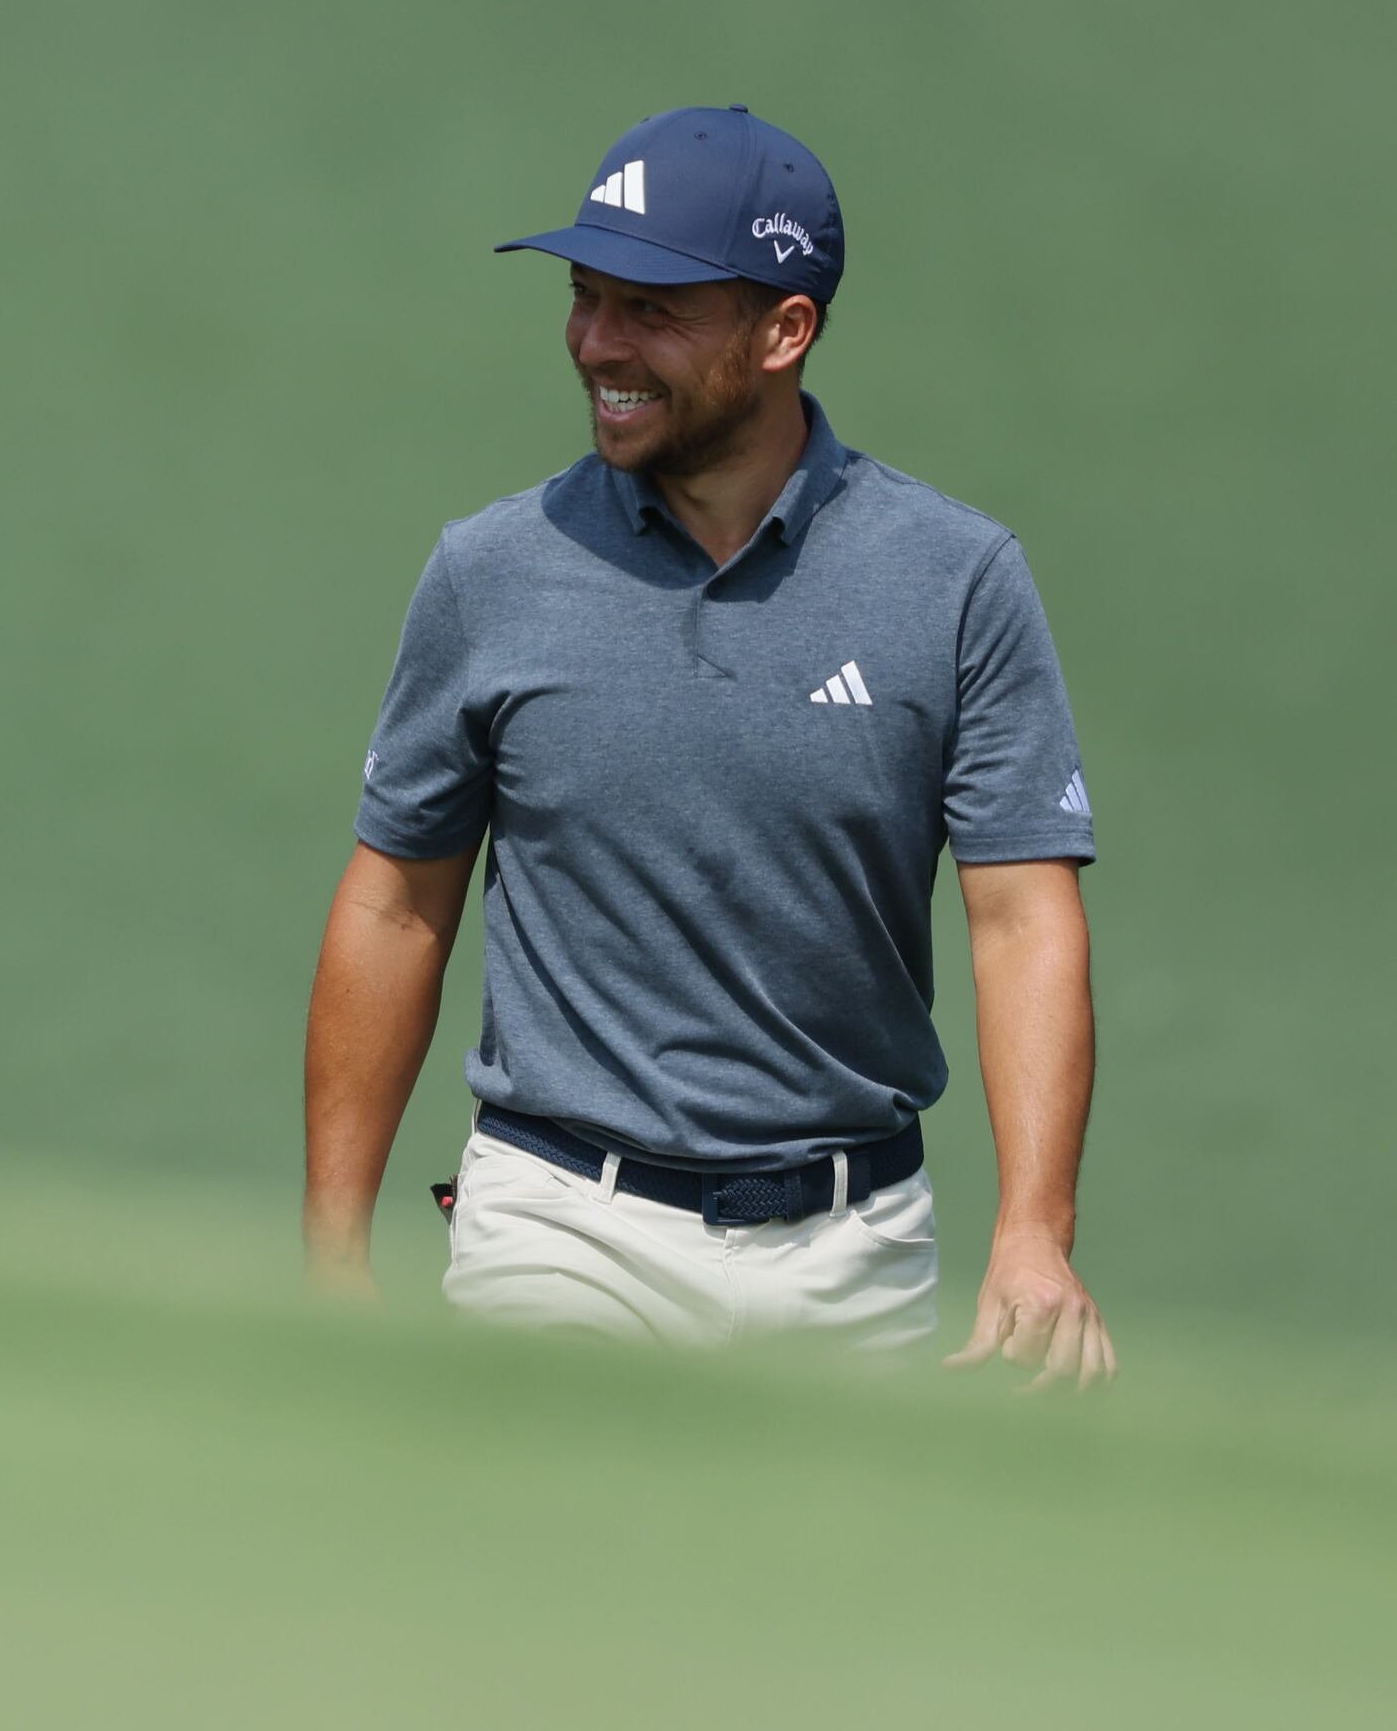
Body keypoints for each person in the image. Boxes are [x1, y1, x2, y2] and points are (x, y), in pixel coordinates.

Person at [301, 107, 1115, 1381]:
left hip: (857, 1251)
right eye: (585, 297)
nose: (597, 344)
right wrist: (333, 1253)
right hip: (562, 1222)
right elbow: (398, 903)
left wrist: (1034, 1234)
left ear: (786, 329)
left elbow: (1022, 918)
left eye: (653, 310)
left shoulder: (956, 580)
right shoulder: (494, 572)